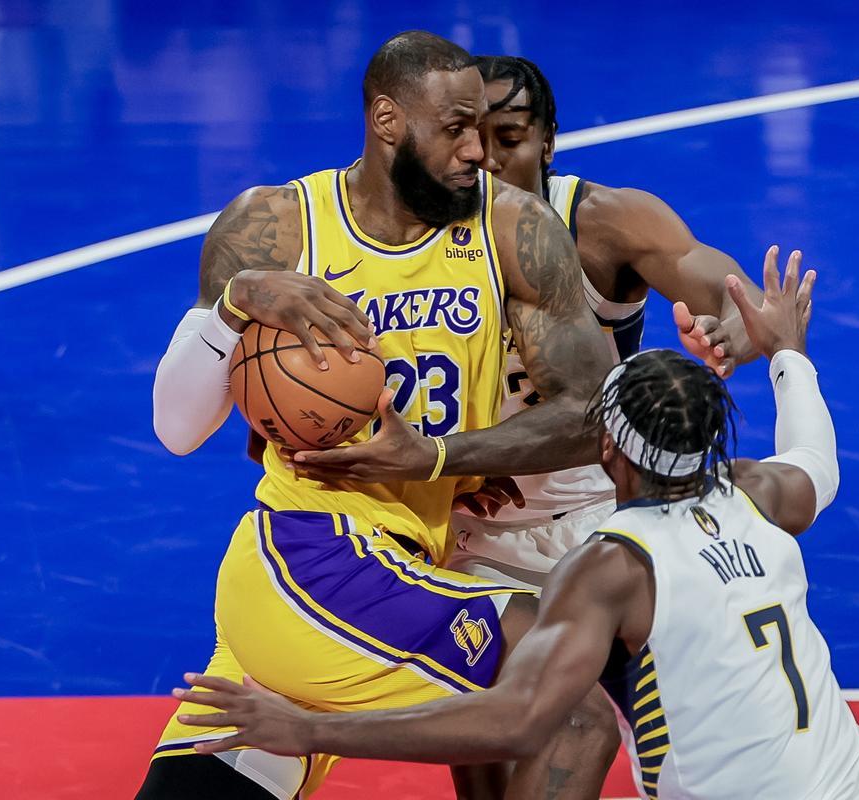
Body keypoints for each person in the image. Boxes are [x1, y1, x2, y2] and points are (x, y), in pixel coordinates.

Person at [173, 247, 859, 800]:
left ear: (608, 447)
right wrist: (786, 352)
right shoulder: (758, 494)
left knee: (572, 715)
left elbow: (519, 721)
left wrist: (309, 729)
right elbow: (817, 460)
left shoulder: (611, 568)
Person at [139, 31, 619, 799]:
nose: (479, 151)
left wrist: (444, 457)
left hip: (391, 567)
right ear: (389, 121)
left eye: (488, 130)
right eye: (456, 128)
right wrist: (235, 308)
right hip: (315, 555)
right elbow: (177, 429)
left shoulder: (512, 228)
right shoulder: (277, 226)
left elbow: (594, 414)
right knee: (569, 714)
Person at [291, 55, 766, 592]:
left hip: (595, 506)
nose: (482, 157)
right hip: (463, 519)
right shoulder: (414, 232)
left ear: (547, 143)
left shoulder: (601, 221)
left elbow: (736, 295)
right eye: (466, 133)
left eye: (509, 138)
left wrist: (736, 330)